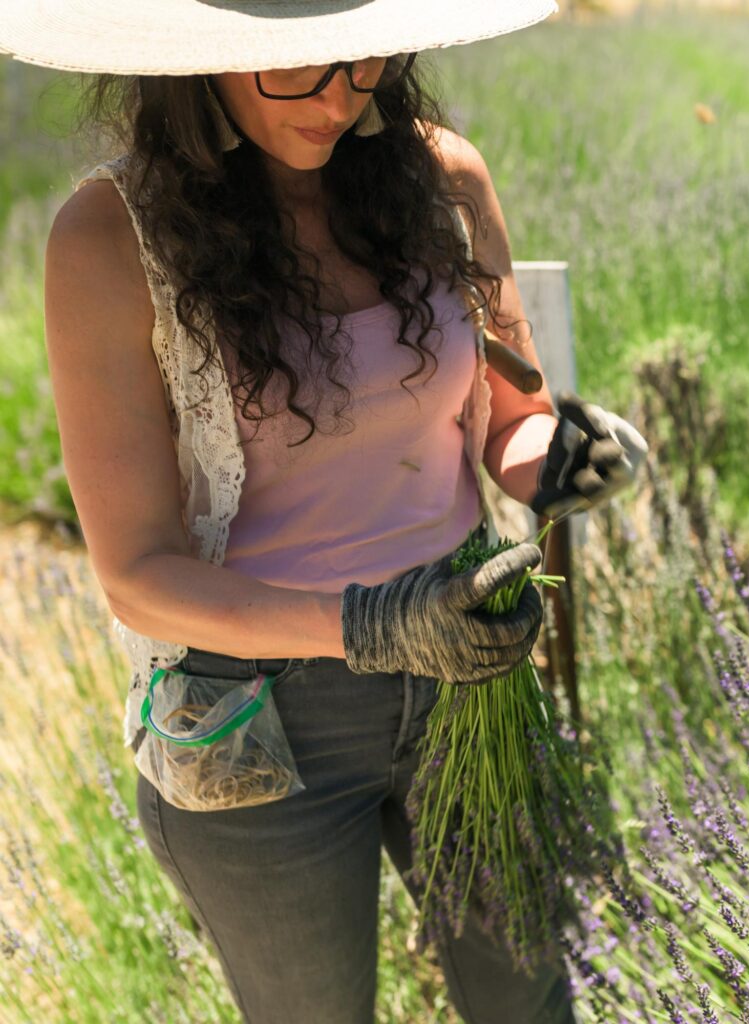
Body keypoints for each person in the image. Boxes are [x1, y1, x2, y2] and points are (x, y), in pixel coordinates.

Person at [1, 2, 647, 1021]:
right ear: (201, 64)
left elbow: (512, 419)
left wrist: (561, 458)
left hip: (465, 675)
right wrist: (368, 625)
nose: (341, 96)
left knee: (531, 1000)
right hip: (258, 718)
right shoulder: (108, 238)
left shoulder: (442, 181)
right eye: (292, 69)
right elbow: (136, 573)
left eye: (361, 62)